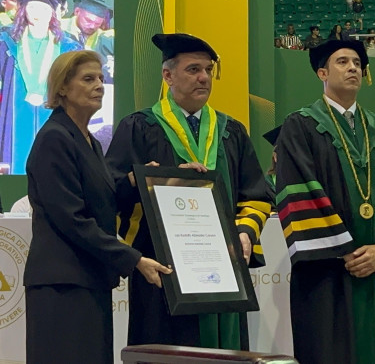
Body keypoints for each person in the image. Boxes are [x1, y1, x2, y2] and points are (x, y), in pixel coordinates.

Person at [106, 34, 273, 349]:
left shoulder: (232, 132)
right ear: (167, 76)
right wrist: (150, 179)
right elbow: (109, 192)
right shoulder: (139, 128)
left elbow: (256, 196)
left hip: (223, 268)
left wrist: (245, 234)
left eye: (208, 70)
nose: (204, 77)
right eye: (193, 69)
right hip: (162, 271)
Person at [24, 50, 171, 364]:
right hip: (63, 284)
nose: (100, 86)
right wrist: (133, 258)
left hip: (88, 278)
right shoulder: (55, 138)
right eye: (88, 79)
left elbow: (101, 201)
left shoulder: (89, 140)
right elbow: (71, 218)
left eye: (102, 79)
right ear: (62, 87)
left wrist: (134, 181)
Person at [274, 39, 375, 364]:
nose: (353, 68)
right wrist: (346, 250)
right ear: (322, 72)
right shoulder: (300, 126)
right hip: (325, 273)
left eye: (357, 64)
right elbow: (297, 191)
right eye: (342, 62)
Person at [0, 0, 81, 174]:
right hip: (11, 123)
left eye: (44, 9)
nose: (38, 14)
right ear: (23, 10)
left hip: (54, 120)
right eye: (32, 8)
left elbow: (78, 94)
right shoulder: (5, 42)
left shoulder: (69, 48)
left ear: (53, 13)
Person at [61, 0, 114, 65]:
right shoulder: (60, 27)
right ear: (77, 12)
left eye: (97, 23)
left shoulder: (103, 37)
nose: (92, 26)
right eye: (88, 20)